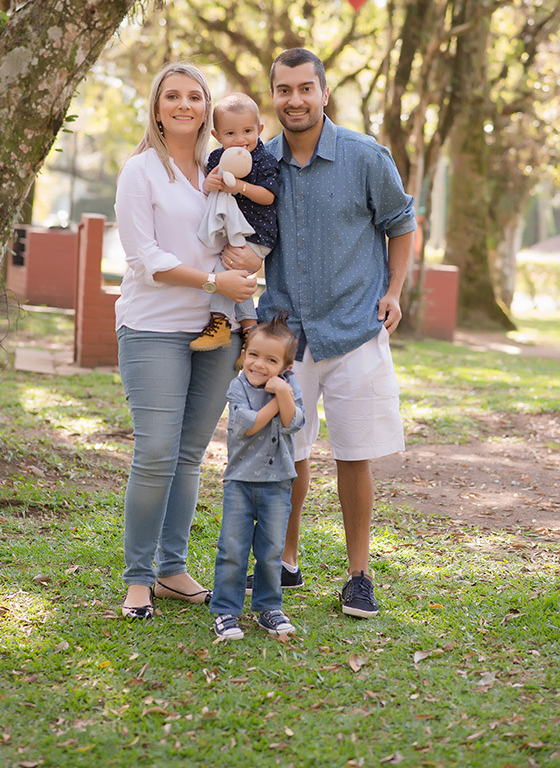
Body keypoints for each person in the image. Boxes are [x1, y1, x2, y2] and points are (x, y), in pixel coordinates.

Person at [223, 48, 417, 619]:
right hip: (286, 335)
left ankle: (359, 576)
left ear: (324, 93)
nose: (295, 100)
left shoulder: (365, 156)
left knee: (354, 455)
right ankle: (285, 560)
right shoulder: (261, 162)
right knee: (288, 449)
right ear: (274, 98)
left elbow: (402, 223)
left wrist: (395, 291)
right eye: (283, 90)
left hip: (356, 327)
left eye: (305, 88)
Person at [114, 62, 257, 620]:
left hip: (217, 329)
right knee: (155, 452)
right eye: (172, 96)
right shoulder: (140, 172)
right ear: (157, 107)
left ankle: (173, 570)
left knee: (191, 454)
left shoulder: (220, 167)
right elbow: (145, 259)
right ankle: (138, 579)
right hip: (152, 328)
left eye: (194, 97)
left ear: (206, 109)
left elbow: (240, 237)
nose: (184, 105)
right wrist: (210, 280)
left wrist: (240, 281)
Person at [210, 313, 305, 640]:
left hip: (278, 483)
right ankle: (225, 611)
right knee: (233, 549)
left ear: (285, 366)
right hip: (240, 482)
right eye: (253, 355)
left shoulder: (290, 387)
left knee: (270, 550)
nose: (259, 364)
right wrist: (277, 402)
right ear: (244, 353)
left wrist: (284, 394)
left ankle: (268, 608)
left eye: (271, 360)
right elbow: (248, 425)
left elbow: (294, 423)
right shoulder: (237, 387)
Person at [190, 92, 280, 369]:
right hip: (232, 234)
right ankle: (250, 334)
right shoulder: (216, 158)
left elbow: (269, 196)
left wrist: (238, 187)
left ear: (260, 130)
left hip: (257, 234)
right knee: (232, 278)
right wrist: (210, 185)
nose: (240, 139)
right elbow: (206, 187)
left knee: (225, 275)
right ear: (217, 135)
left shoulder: (264, 159)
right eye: (231, 133)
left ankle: (219, 322)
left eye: (248, 131)